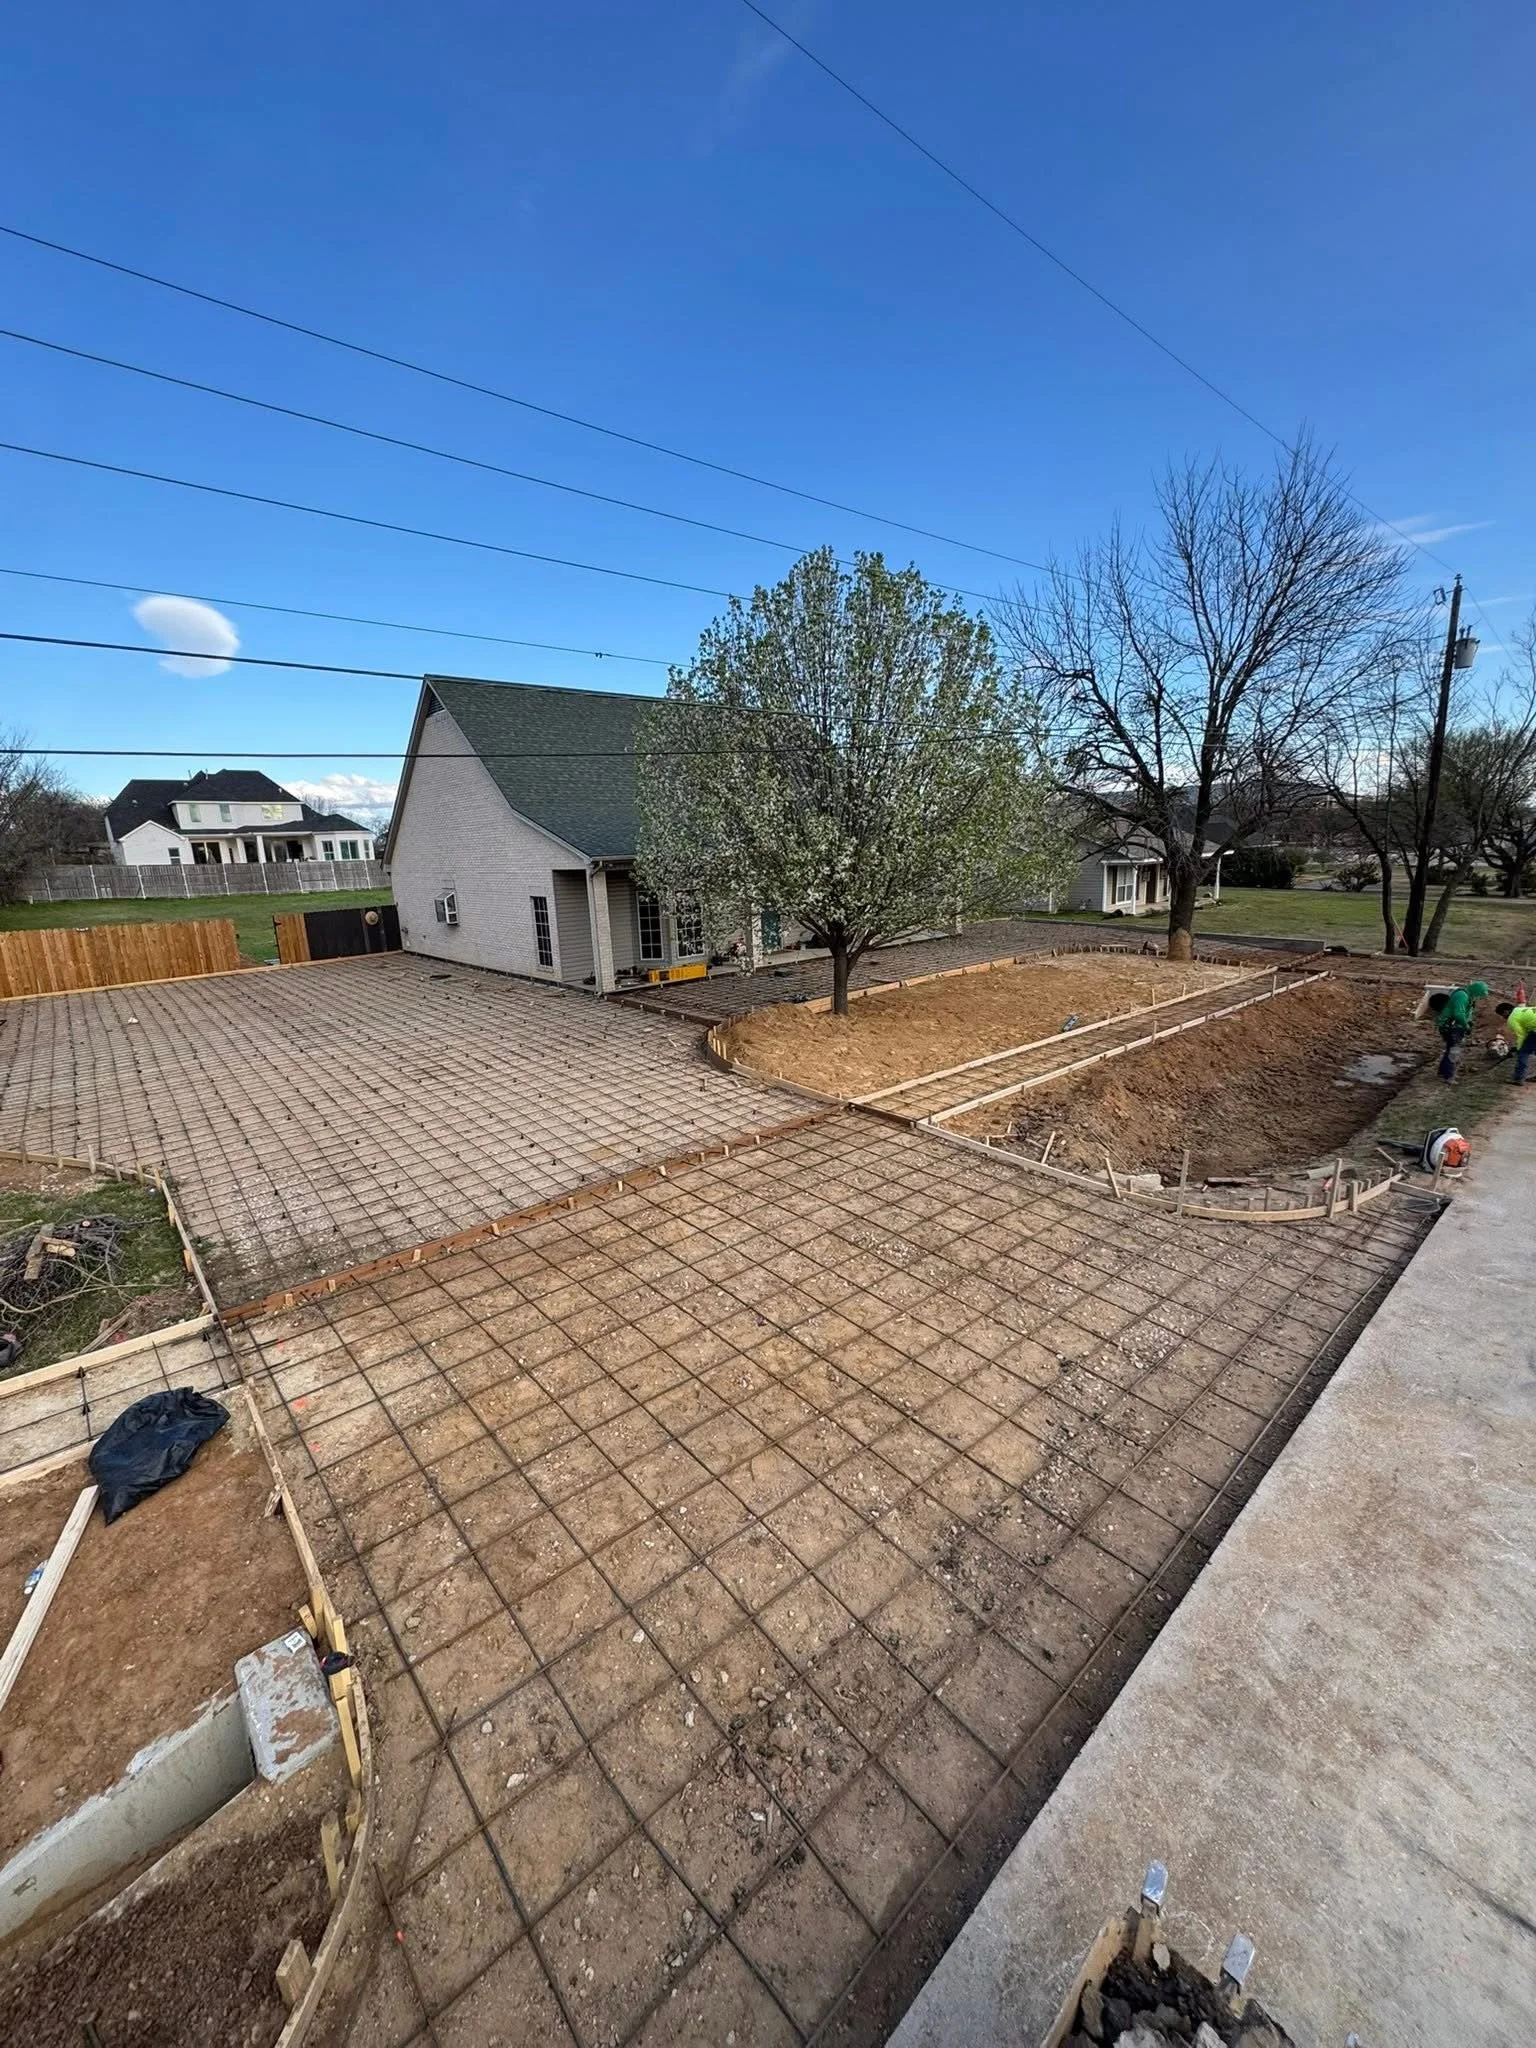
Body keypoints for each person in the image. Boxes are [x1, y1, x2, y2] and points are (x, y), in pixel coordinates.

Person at [1433, 979, 1490, 1080]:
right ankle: (1449, 1076)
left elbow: (1465, 1013)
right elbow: (1458, 1014)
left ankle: (1443, 1071)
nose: (1479, 998)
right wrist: (1465, 1025)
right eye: (1480, 995)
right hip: (1451, 1026)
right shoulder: (1462, 996)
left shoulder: (1467, 996)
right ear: (1476, 991)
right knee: (1454, 1050)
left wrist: (1469, 1022)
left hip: (1454, 1025)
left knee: (1450, 1049)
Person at [1495, 999, 1536, 1084]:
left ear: (1506, 1011)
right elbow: (1526, 1032)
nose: (1503, 1017)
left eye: (1502, 1015)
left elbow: (1521, 1035)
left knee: (1523, 1052)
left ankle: (1518, 1078)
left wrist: (1518, 1048)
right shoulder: (1520, 1010)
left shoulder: (1512, 1018)